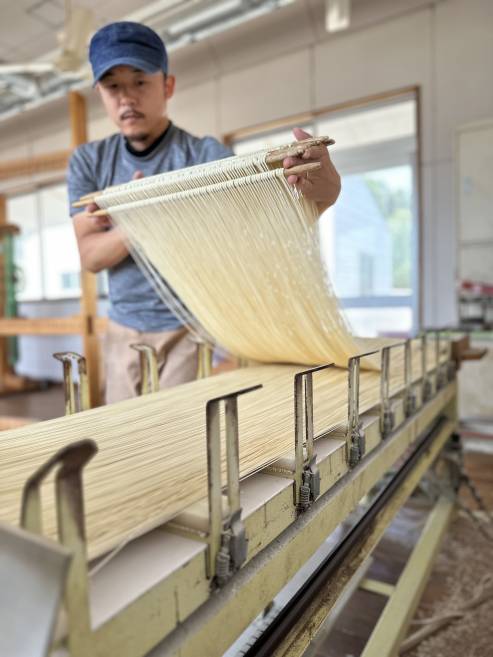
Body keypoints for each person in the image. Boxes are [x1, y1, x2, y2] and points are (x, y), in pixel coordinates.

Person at [67, 21, 341, 404]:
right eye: (113, 86)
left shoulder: (202, 157)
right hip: (122, 333)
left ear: (168, 86)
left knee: (182, 443)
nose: (126, 97)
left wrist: (322, 195)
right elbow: (91, 256)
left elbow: (257, 225)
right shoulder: (88, 162)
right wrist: (149, 216)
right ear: (100, 93)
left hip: (191, 329)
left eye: (140, 81)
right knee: (125, 439)